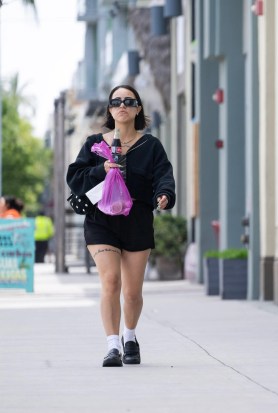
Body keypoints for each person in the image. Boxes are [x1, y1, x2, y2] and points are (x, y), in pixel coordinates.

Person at [66, 84, 176, 367]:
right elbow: (75, 177)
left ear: (138, 108)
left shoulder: (150, 145)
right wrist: (99, 169)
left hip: (137, 220)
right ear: (110, 109)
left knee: (132, 292)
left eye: (129, 101)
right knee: (111, 281)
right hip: (101, 221)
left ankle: (130, 336)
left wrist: (163, 195)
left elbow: (163, 175)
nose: (122, 105)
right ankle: (112, 345)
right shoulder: (94, 144)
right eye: (116, 101)